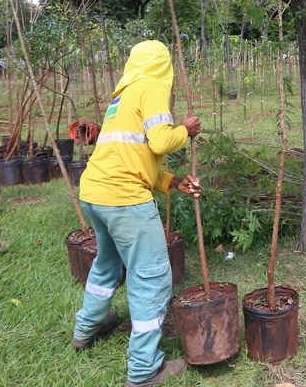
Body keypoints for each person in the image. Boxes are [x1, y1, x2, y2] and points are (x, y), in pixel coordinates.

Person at [72, 40, 202, 387]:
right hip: (124, 199)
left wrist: (173, 182)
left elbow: (133, 158)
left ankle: (88, 328)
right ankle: (144, 370)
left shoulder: (121, 97)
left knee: (106, 264)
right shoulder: (152, 87)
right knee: (151, 278)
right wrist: (185, 131)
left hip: (94, 193)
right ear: (164, 65)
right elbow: (161, 142)